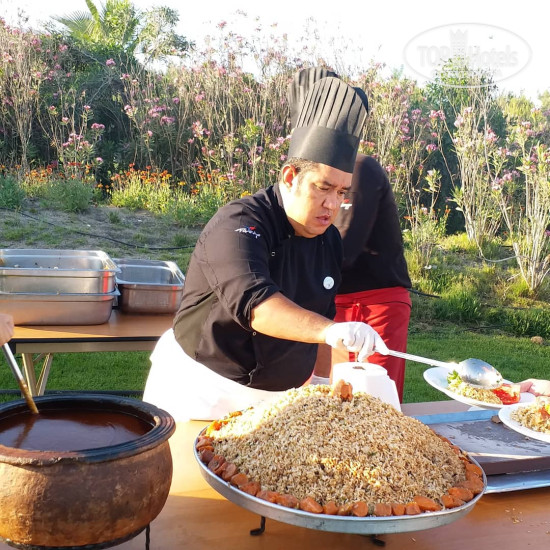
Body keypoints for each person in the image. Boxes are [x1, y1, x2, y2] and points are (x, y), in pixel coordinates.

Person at [143, 77, 387, 422]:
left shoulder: (329, 239)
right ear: (290, 176)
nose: (333, 204)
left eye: (342, 192)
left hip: (277, 403)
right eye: (323, 188)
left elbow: (323, 315)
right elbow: (256, 305)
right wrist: (329, 331)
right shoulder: (238, 223)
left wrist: (322, 383)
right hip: (202, 391)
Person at [287, 67, 412, 401]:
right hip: (328, 303)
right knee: (327, 400)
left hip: (374, 302)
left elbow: (344, 247)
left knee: (372, 403)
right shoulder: (303, 175)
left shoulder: (361, 170)